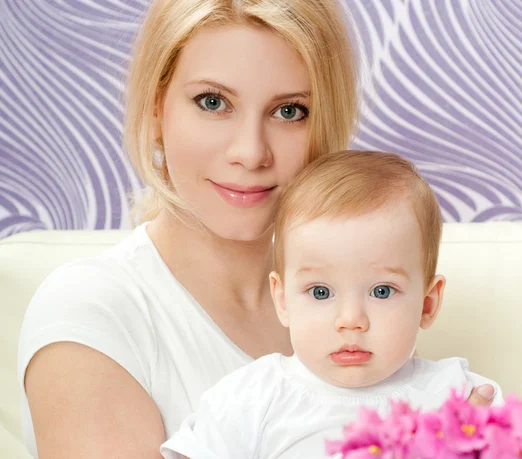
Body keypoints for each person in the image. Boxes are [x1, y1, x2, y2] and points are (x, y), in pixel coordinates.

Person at [18, 1, 496, 458]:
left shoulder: (363, 293)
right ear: (157, 107)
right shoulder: (91, 308)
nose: (250, 152)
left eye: (289, 111)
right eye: (212, 101)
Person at [159, 150, 503, 459]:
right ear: (283, 300)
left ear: (427, 304)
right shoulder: (252, 398)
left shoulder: (459, 396)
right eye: (321, 292)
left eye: (382, 291)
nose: (350, 320)